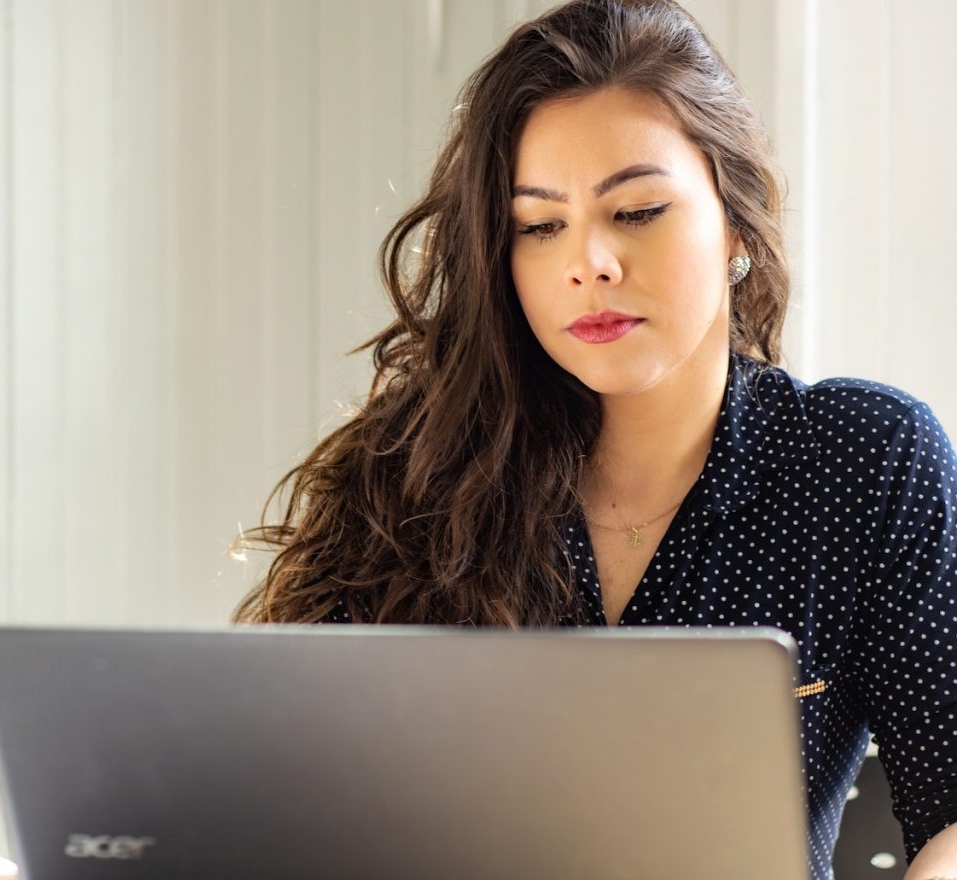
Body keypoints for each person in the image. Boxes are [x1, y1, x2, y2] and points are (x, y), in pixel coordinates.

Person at [234, 1, 957, 876]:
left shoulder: (861, 460)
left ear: (734, 221)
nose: (590, 264)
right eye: (540, 227)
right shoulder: (411, 474)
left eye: (638, 210)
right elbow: (278, 805)